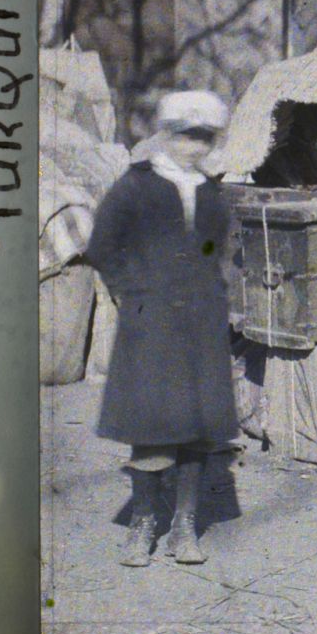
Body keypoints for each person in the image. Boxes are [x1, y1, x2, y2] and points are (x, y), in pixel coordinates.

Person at [84, 89, 239, 567]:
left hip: (202, 323)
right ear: (167, 136)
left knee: (196, 428)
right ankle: (143, 523)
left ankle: (184, 527)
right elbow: (103, 245)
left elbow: (220, 251)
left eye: (205, 139)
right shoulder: (136, 185)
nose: (196, 147)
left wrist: (219, 295)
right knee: (151, 426)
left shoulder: (212, 191)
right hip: (150, 322)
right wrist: (133, 291)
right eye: (188, 137)